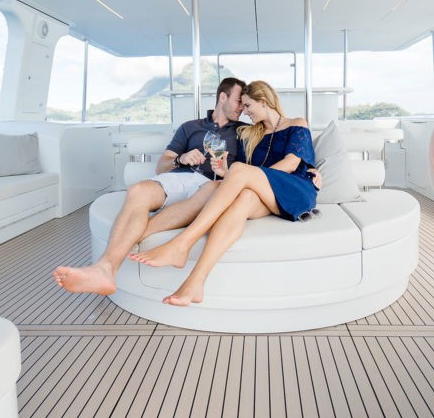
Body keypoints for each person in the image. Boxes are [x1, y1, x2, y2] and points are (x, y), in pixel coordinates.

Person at [130, 80, 318, 306]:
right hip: (262, 194)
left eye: (248, 105)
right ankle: (196, 282)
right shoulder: (250, 134)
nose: (244, 112)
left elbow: (290, 163)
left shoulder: (296, 123)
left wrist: (246, 174)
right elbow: (242, 173)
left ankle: (183, 242)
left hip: (294, 189)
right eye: (242, 105)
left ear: (263, 101)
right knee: (237, 195)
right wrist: (225, 172)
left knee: (240, 172)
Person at [53, 76, 246, 295]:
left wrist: (225, 171)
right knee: (137, 191)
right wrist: (181, 159)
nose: (242, 108)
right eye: (239, 101)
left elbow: (246, 174)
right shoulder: (190, 127)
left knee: (210, 190)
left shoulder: (244, 132)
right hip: (180, 178)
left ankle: (107, 264)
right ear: (223, 97)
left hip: (211, 185)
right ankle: (104, 270)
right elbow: (162, 166)